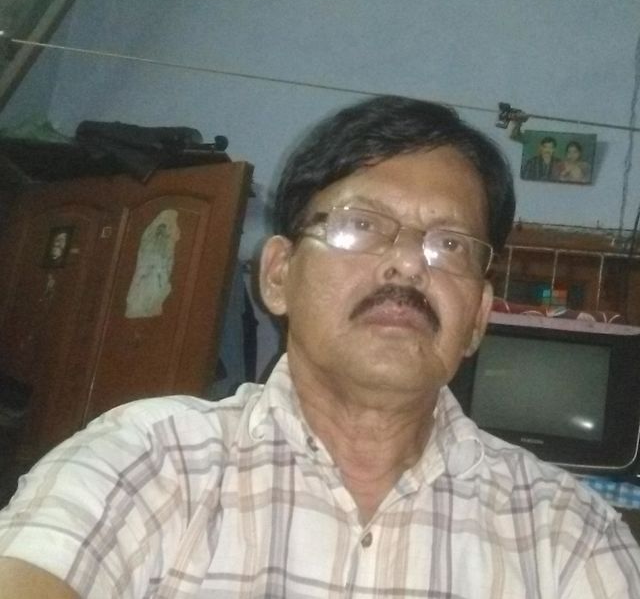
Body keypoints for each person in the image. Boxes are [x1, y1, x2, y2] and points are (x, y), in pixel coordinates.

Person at [0, 96, 638, 598]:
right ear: (279, 274)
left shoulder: (568, 532)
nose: (406, 265)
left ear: (476, 316)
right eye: (361, 225)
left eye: (449, 245)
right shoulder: (147, 458)